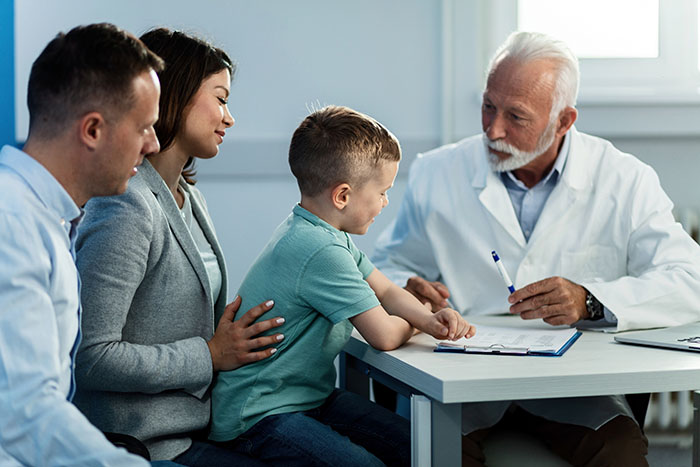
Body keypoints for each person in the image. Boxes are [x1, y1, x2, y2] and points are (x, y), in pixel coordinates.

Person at [372, 31, 700, 466]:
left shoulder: (625, 179)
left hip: (572, 388)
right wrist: (408, 292)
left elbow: (688, 277)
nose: (493, 129)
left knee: (619, 453)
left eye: (516, 116)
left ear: (564, 121)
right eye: (488, 106)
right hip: (465, 382)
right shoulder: (438, 172)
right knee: (432, 451)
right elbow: (387, 265)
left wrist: (590, 300)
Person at [208, 105, 475, 466]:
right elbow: (383, 334)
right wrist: (421, 316)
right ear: (343, 196)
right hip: (259, 416)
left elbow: (386, 290)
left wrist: (431, 321)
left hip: (304, 398)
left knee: (418, 446)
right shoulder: (319, 249)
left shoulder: (319, 230)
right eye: (382, 191)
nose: (385, 201)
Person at [74, 29, 283, 465]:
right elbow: (91, 358)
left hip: (201, 425)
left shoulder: (190, 199)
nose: (229, 118)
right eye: (221, 99)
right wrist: (209, 355)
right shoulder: (127, 206)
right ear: (177, 95)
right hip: (147, 445)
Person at [0, 23, 164, 465]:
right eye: (145, 127)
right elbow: (23, 416)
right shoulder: (11, 223)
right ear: (92, 130)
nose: (153, 144)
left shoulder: (44, 215)